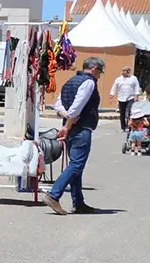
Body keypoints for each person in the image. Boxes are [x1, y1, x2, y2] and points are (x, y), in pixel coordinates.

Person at [46, 57, 105, 215]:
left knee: (76, 166)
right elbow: (77, 107)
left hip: (71, 128)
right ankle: (54, 195)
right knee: (76, 165)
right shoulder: (89, 82)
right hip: (80, 128)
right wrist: (68, 124)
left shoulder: (70, 81)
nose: (99, 76)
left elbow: (58, 105)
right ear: (94, 69)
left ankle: (78, 202)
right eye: (100, 72)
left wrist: (66, 118)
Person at [110, 66, 141, 130]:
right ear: (122, 71)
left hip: (131, 97)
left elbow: (136, 87)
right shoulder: (118, 79)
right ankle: (123, 127)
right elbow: (114, 87)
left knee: (129, 112)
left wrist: (136, 95)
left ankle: (129, 126)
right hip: (121, 98)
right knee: (122, 113)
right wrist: (111, 95)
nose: (127, 71)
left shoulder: (133, 78)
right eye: (125, 70)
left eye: (128, 70)